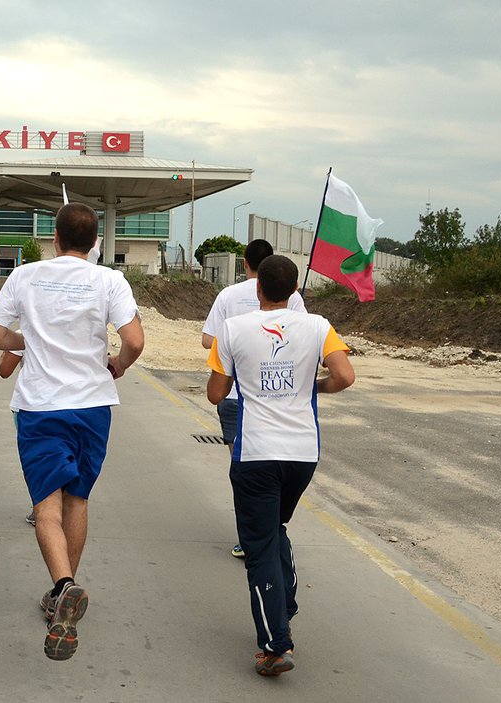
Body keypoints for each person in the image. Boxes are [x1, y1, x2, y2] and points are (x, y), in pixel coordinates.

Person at [0, 202, 145, 661]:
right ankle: (62, 600)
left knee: (46, 507)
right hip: (93, 406)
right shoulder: (110, 280)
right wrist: (117, 365)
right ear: (95, 243)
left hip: (41, 407)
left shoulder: (25, 276)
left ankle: (64, 586)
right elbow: (134, 341)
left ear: (54, 239)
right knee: (77, 500)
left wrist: (28, 340)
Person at [206, 254, 355, 676]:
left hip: (256, 452)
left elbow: (215, 394)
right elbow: (345, 376)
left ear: (257, 287)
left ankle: (276, 644)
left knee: (258, 546)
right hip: (303, 453)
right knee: (274, 527)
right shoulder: (318, 326)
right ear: (294, 290)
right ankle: (284, 598)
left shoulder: (232, 329)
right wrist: (313, 386)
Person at [202, 238, 306, 558]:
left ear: (245, 264)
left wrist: (236, 346)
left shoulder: (228, 295)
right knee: (274, 466)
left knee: (245, 470)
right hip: (279, 395)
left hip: (235, 396)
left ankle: (252, 537)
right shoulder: (293, 298)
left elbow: (207, 340)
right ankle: (268, 532)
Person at [0, 350, 35, 526]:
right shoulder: (88, 333)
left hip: (34, 407)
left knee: (35, 460)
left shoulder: (25, 335)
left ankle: (42, 505)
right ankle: (67, 504)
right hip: (83, 405)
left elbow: (4, 369)